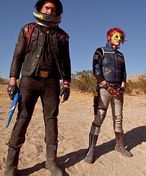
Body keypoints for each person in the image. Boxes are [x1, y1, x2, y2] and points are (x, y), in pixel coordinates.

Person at [5, 0, 71, 175]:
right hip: (29, 80)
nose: (49, 11)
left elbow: (66, 61)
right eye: (46, 8)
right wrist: (13, 82)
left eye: (53, 9)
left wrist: (67, 83)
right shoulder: (27, 29)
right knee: (22, 118)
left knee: (51, 120)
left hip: (51, 83)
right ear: (40, 9)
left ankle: (51, 163)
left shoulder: (62, 35)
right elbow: (17, 56)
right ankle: (11, 167)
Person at [84, 27, 133, 164]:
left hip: (118, 90)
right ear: (109, 37)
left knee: (118, 118)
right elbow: (96, 69)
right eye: (116, 36)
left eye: (120, 37)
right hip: (103, 89)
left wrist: (122, 86)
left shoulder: (121, 55)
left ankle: (119, 146)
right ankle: (91, 150)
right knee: (99, 117)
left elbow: (124, 72)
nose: (119, 39)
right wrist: (106, 85)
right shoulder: (100, 51)